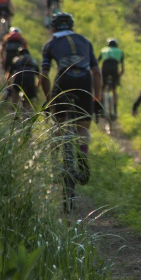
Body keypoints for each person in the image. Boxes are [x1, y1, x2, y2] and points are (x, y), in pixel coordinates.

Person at [40, 12, 101, 184]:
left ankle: (54, 167)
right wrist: (97, 99)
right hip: (85, 78)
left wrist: (49, 100)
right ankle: (82, 153)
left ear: (53, 27)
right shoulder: (85, 41)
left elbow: (44, 74)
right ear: (72, 27)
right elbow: (97, 72)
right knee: (83, 127)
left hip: (64, 78)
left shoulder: (50, 44)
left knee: (58, 124)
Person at [98, 38, 125, 118]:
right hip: (114, 69)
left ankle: (101, 108)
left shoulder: (103, 50)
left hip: (105, 68)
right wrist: (118, 76)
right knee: (114, 90)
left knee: (102, 89)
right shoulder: (120, 51)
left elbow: (97, 62)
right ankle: (115, 110)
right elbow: (122, 68)